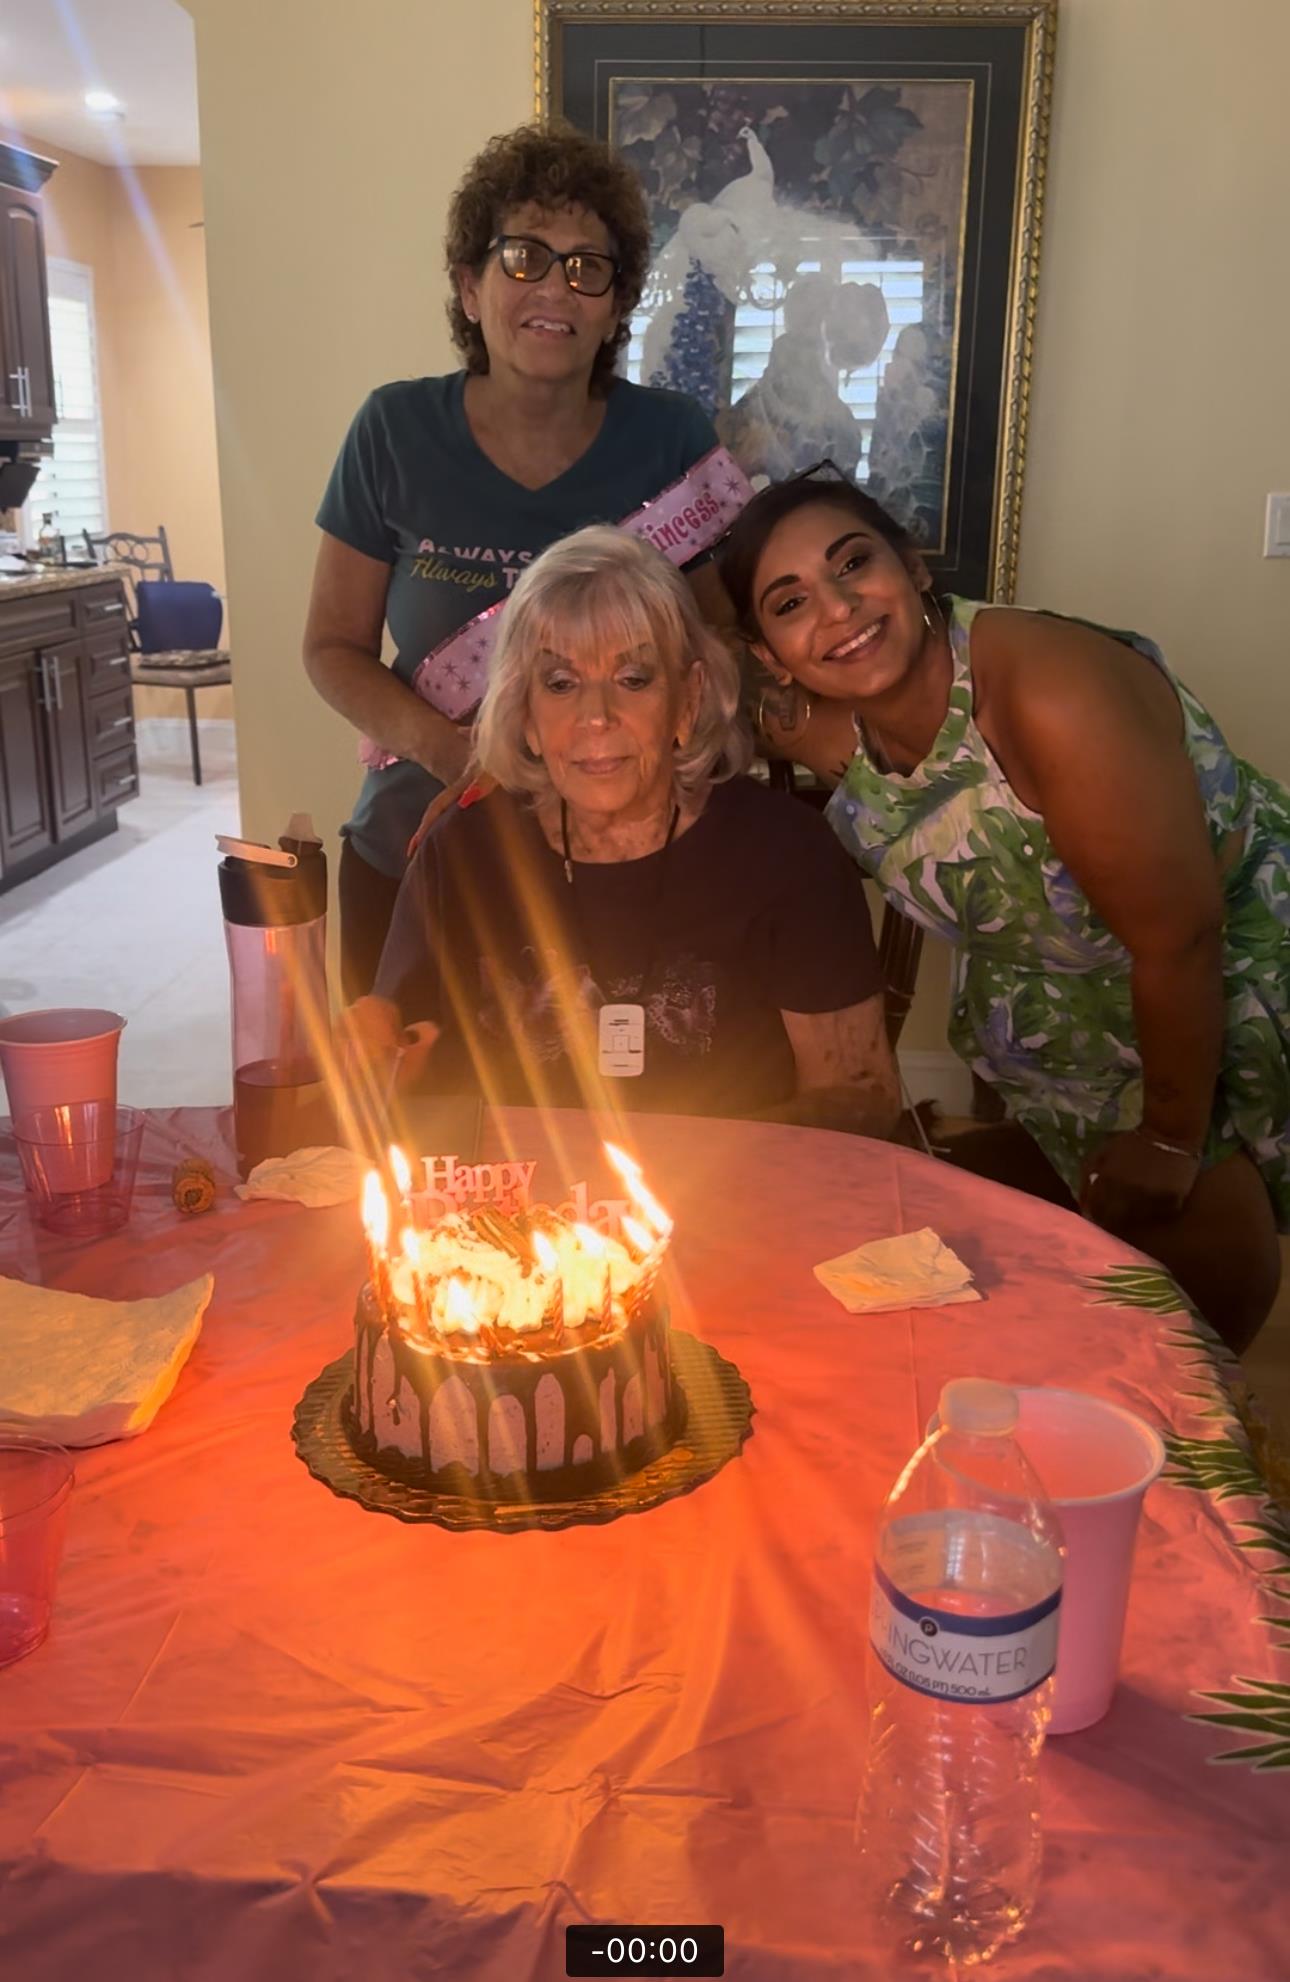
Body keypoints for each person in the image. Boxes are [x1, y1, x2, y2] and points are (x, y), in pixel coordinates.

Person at [718, 465, 1289, 1350]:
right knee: (1123, 1317)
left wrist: (1172, 1139)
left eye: (853, 564)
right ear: (766, 652)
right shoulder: (813, 721)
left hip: (1225, 977)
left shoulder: (1051, 693)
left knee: (1201, 1293)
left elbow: (1181, 939)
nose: (836, 611)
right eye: (790, 604)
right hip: (1074, 1023)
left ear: (911, 565)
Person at [304, 123, 750, 1001]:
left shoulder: (672, 441)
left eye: (589, 267)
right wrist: (460, 753)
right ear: (469, 288)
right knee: (411, 1129)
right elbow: (330, 648)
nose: (556, 287)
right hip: (418, 858)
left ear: (618, 305)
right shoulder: (393, 431)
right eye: (523, 259)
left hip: (625, 877)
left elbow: (720, 639)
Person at [343, 527, 903, 1133]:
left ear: (687, 701)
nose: (596, 717)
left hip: (735, 1210)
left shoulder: (788, 855)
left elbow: (860, 1101)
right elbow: (405, 1073)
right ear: (525, 713)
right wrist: (382, 1061)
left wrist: (690, 1178)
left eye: (634, 678)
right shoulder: (465, 848)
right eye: (560, 684)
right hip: (515, 1213)